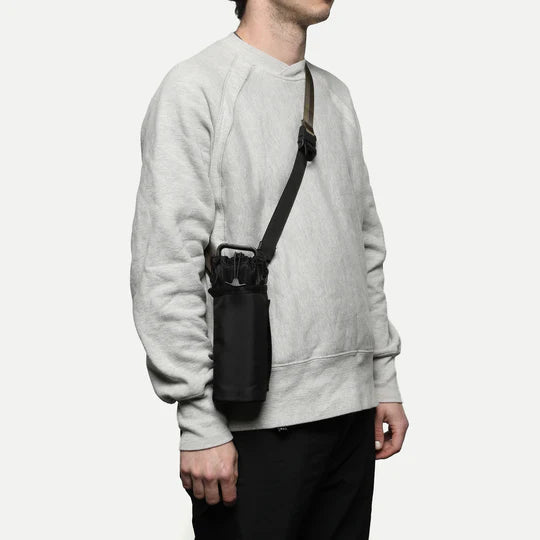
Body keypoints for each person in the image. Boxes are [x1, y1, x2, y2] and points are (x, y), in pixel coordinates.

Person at [130, 0, 409, 538]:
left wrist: (382, 379)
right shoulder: (195, 88)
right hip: (254, 420)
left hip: (352, 414)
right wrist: (199, 421)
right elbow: (164, 264)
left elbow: (365, 247)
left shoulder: (334, 95)